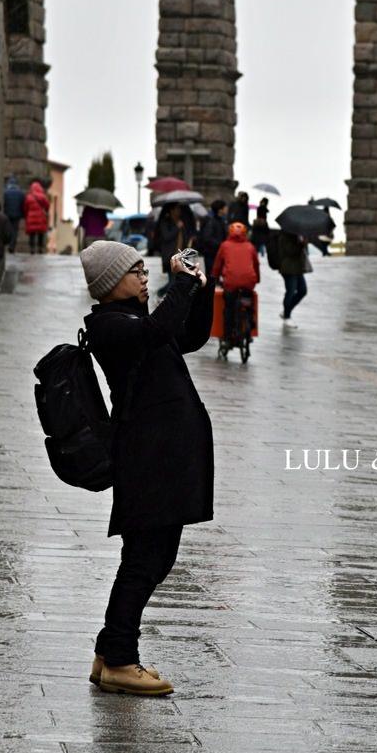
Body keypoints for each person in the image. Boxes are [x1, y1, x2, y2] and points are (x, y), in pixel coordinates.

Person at [80, 239, 214, 696]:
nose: (142, 277)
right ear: (109, 283)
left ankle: (108, 650)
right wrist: (177, 283)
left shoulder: (135, 319)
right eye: (134, 271)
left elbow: (188, 335)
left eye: (143, 270)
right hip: (148, 457)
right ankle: (120, 659)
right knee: (145, 559)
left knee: (151, 559)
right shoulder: (109, 327)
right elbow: (158, 331)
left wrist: (199, 290)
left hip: (162, 455)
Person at [211, 221, 260, 344]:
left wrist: (214, 278)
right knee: (248, 301)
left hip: (231, 283)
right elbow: (256, 265)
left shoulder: (225, 245)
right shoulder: (250, 246)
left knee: (229, 308)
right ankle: (250, 321)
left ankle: (228, 336)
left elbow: (217, 265)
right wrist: (257, 279)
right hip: (249, 282)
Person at [279, 230, 309, 327]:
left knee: (302, 290)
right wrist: (301, 244)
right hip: (288, 268)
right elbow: (290, 250)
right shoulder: (285, 234)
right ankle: (287, 317)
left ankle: (286, 311)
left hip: (297, 268)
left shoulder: (298, 234)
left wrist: (304, 243)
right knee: (290, 291)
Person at [196, 199, 228, 276]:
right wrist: (220, 244)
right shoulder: (211, 221)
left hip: (218, 253)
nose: (227, 209)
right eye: (225, 207)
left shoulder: (222, 221)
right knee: (211, 276)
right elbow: (207, 238)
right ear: (220, 210)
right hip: (211, 254)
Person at [24, 180, 50, 254]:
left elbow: (25, 207)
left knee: (32, 234)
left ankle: (32, 248)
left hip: (31, 216)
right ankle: (40, 248)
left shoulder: (29, 197)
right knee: (40, 233)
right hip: (40, 217)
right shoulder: (43, 196)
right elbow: (47, 205)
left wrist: (26, 215)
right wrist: (46, 210)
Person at [2, 175, 25, 253]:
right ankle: (12, 246)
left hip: (7, 214)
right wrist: (23, 214)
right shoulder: (21, 193)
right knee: (14, 231)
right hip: (17, 215)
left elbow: (3, 204)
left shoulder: (5, 192)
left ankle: (6, 244)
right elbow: (23, 205)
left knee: (7, 230)